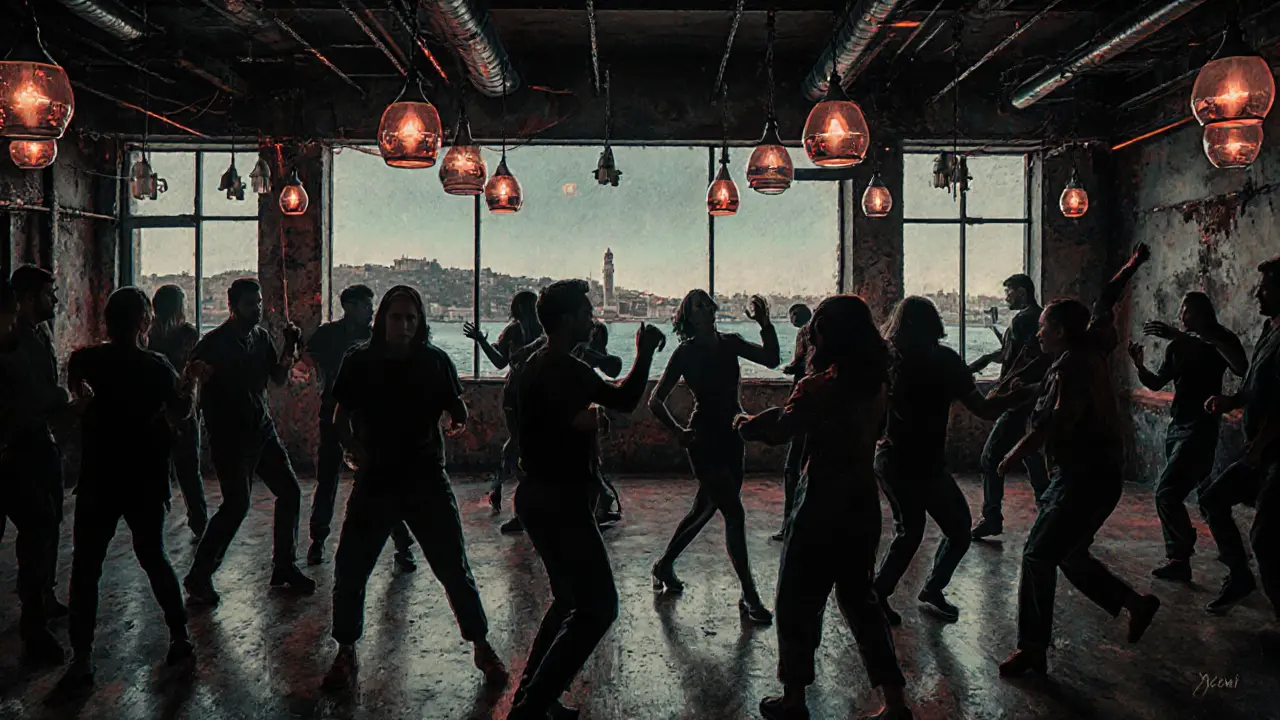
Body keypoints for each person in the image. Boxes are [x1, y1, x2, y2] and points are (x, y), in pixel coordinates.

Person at [736, 294, 912, 720]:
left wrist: (746, 425)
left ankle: (794, 699)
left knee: (796, 601)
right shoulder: (877, 385)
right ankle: (894, 702)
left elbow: (781, 430)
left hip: (820, 502)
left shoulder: (817, 387)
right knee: (861, 603)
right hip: (862, 501)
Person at [323, 286, 506, 691]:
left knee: (453, 567)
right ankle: (346, 650)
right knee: (351, 568)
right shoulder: (359, 361)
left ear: (419, 322)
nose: (403, 325)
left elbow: (457, 408)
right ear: (382, 320)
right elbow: (340, 416)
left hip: (425, 479)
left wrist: (458, 418)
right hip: (376, 480)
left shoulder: (435, 362)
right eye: (396, 317)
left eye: (410, 318)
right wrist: (352, 446)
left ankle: (481, 646)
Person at [995, 245, 1161, 677]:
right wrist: (1131, 265)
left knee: (1037, 555)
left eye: (1043, 328)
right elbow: (1106, 298)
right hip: (1093, 476)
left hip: (1083, 479)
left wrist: (1014, 453)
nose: (1037, 334)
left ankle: (1032, 650)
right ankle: (1135, 604)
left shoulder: (1071, 367)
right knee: (1067, 554)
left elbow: (1059, 419)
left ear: (1060, 331)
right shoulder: (1089, 348)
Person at [506, 280, 664, 720]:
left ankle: (532, 695)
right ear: (566, 320)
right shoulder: (564, 368)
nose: (592, 318)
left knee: (567, 600)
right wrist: (645, 352)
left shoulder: (537, 364)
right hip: (561, 501)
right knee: (598, 608)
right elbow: (625, 399)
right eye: (585, 312)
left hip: (536, 496)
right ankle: (531, 708)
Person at [55, 288, 200, 694]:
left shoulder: (86, 359)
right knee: (154, 557)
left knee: (86, 568)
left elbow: (77, 389)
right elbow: (180, 413)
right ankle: (179, 636)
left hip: (99, 475)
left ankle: (82, 658)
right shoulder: (156, 367)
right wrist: (191, 382)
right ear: (143, 323)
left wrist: (87, 400)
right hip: (143, 477)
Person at [873, 297, 1014, 625]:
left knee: (910, 532)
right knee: (958, 529)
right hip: (926, 462)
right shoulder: (946, 360)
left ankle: (880, 595)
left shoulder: (888, 361)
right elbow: (984, 409)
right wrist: (1018, 395)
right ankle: (926, 589)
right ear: (934, 324)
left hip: (893, 458)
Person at [648, 290, 780, 624]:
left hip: (733, 436)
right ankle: (749, 595)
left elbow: (772, 360)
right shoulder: (684, 353)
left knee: (704, 508)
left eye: (708, 302)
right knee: (733, 513)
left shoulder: (730, 343)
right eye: (698, 305)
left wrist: (765, 323)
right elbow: (655, 400)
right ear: (689, 317)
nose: (707, 307)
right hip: (704, 438)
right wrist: (679, 431)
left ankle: (663, 565)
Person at [183, 278, 314, 605]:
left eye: (259, 303)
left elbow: (278, 379)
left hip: (260, 430)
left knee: (290, 491)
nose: (257, 309)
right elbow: (191, 381)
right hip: (229, 438)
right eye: (249, 304)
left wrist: (289, 349)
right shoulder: (213, 344)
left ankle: (284, 566)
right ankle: (199, 576)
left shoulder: (261, 337)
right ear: (232, 306)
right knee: (236, 505)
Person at [1127, 292, 1247, 583]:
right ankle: (1230, 555)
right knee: (1204, 495)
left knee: (1167, 493)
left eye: (1187, 310)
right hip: (1177, 426)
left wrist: (1181, 337)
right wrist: (1139, 366)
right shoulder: (1177, 346)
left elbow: (1241, 367)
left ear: (1203, 314)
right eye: (1182, 309)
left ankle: (1181, 556)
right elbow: (1157, 383)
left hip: (1200, 428)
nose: (1181, 315)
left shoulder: (1218, 340)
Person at [303, 284, 415, 570]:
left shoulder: (375, 337)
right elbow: (305, 362)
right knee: (328, 478)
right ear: (349, 307)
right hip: (333, 415)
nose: (370, 310)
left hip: (367, 421)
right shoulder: (328, 334)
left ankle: (403, 546)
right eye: (366, 305)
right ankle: (318, 540)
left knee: (379, 480)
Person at [1201, 257, 1280, 617]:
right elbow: (1255, 387)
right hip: (1259, 450)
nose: (1258, 294)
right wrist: (1231, 401)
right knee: (1213, 500)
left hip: (1272, 453)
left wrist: (1258, 449)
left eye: (1266, 288)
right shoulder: (1269, 329)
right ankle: (1239, 576)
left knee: (1265, 538)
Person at [0, 275, 65, 665]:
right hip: (17, 448)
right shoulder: (13, 343)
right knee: (38, 526)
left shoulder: (38, 334)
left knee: (46, 523)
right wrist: (60, 398)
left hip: (35, 442)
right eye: (48, 294)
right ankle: (34, 622)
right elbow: (29, 395)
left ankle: (41, 602)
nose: (55, 300)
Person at [969, 274, 1051, 540]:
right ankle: (1050, 511)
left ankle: (992, 517)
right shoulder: (1040, 318)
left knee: (990, 457)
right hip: (1035, 399)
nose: (1006, 297)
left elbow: (1012, 359)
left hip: (1017, 400)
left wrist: (994, 379)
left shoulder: (1021, 320)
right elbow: (1022, 356)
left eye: (1009, 291)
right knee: (1030, 455)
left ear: (1022, 292)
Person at [463, 290, 542, 532]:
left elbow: (499, 362)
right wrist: (481, 341)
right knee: (522, 445)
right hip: (524, 395)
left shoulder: (519, 331)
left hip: (524, 394)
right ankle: (521, 506)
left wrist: (482, 341)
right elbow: (500, 361)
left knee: (519, 444)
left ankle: (501, 486)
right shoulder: (533, 331)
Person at [147, 284, 207, 541]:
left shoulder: (149, 335)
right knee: (189, 471)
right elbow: (192, 369)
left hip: (158, 408)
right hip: (181, 405)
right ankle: (199, 523)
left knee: (159, 469)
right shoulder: (187, 333)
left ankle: (157, 522)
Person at [772, 303, 812, 543]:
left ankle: (790, 523)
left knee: (792, 468)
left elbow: (799, 363)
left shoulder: (805, 333)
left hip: (803, 410)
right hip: (815, 412)